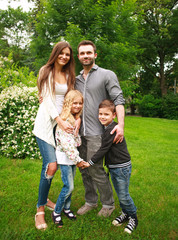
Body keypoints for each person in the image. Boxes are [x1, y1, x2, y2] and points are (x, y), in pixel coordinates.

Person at [75, 40, 125, 217]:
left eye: (89, 52)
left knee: (95, 169)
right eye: (82, 53)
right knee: (83, 169)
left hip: (98, 134)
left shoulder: (106, 75)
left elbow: (118, 99)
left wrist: (120, 125)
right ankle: (90, 201)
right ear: (79, 56)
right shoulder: (77, 80)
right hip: (79, 134)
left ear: (95, 55)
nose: (85, 56)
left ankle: (108, 204)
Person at [33, 41, 76, 230]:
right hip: (46, 123)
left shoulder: (68, 75)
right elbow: (47, 99)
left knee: (56, 166)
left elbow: (71, 98)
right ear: (56, 53)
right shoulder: (46, 70)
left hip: (62, 125)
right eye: (62, 53)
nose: (64, 57)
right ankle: (40, 210)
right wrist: (59, 119)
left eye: (67, 54)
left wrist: (73, 119)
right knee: (51, 165)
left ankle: (44, 198)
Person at [82, 100, 138, 234]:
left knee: (123, 195)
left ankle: (133, 218)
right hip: (114, 166)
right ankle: (125, 213)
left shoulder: (112, 129)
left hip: (121, 167)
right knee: (120, 193)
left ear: (114, 115)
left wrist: (89, 162)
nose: (102, 116)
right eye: (100, 114)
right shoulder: (107, 128)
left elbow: (103, 150)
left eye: (106, 114)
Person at [52, 90, 86, 227]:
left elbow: (76, 142)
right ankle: (56, 211)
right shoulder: (65, 120)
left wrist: (77, 129)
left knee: (70, 187)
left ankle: (67, 208)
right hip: (65, 158)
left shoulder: (74, 118)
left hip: (72, 158)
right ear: (68, 103)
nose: (77, 106)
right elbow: (67, 146)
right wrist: (78, 160)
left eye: (80, 103)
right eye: (75, 103)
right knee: (69, 186)